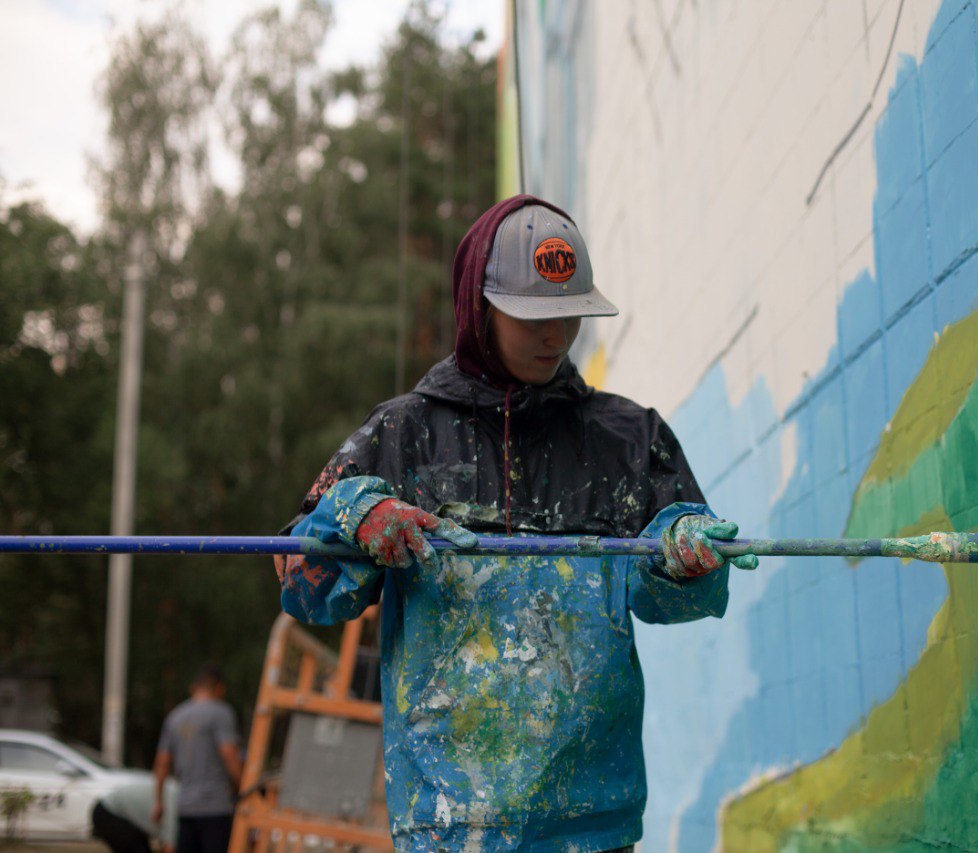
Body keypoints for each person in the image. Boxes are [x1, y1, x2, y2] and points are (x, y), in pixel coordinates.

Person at [276, 194, 757, 851]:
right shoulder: (403, 435)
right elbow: (303, 579)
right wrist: (352, 514)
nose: (555, 336)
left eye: (569, 314)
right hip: (449, 820)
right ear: (480, 306)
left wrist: (682, 547)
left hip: (591, 819)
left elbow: (673, 594)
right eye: (534, 316)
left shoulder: (626, 438)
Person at [151, 664, 243, 853]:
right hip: (215, 807)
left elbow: (162, 762)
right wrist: (244, 787)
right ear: (219, 687)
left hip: (184, 807)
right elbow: (228, 754)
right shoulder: (221, 712)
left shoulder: (175, 716)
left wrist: (158, 801)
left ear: (194, 687)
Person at [92, 777, 178, 853]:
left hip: (125, 813)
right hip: (110, 812)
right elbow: (169, 848)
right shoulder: (176, 810)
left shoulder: (181, 796)